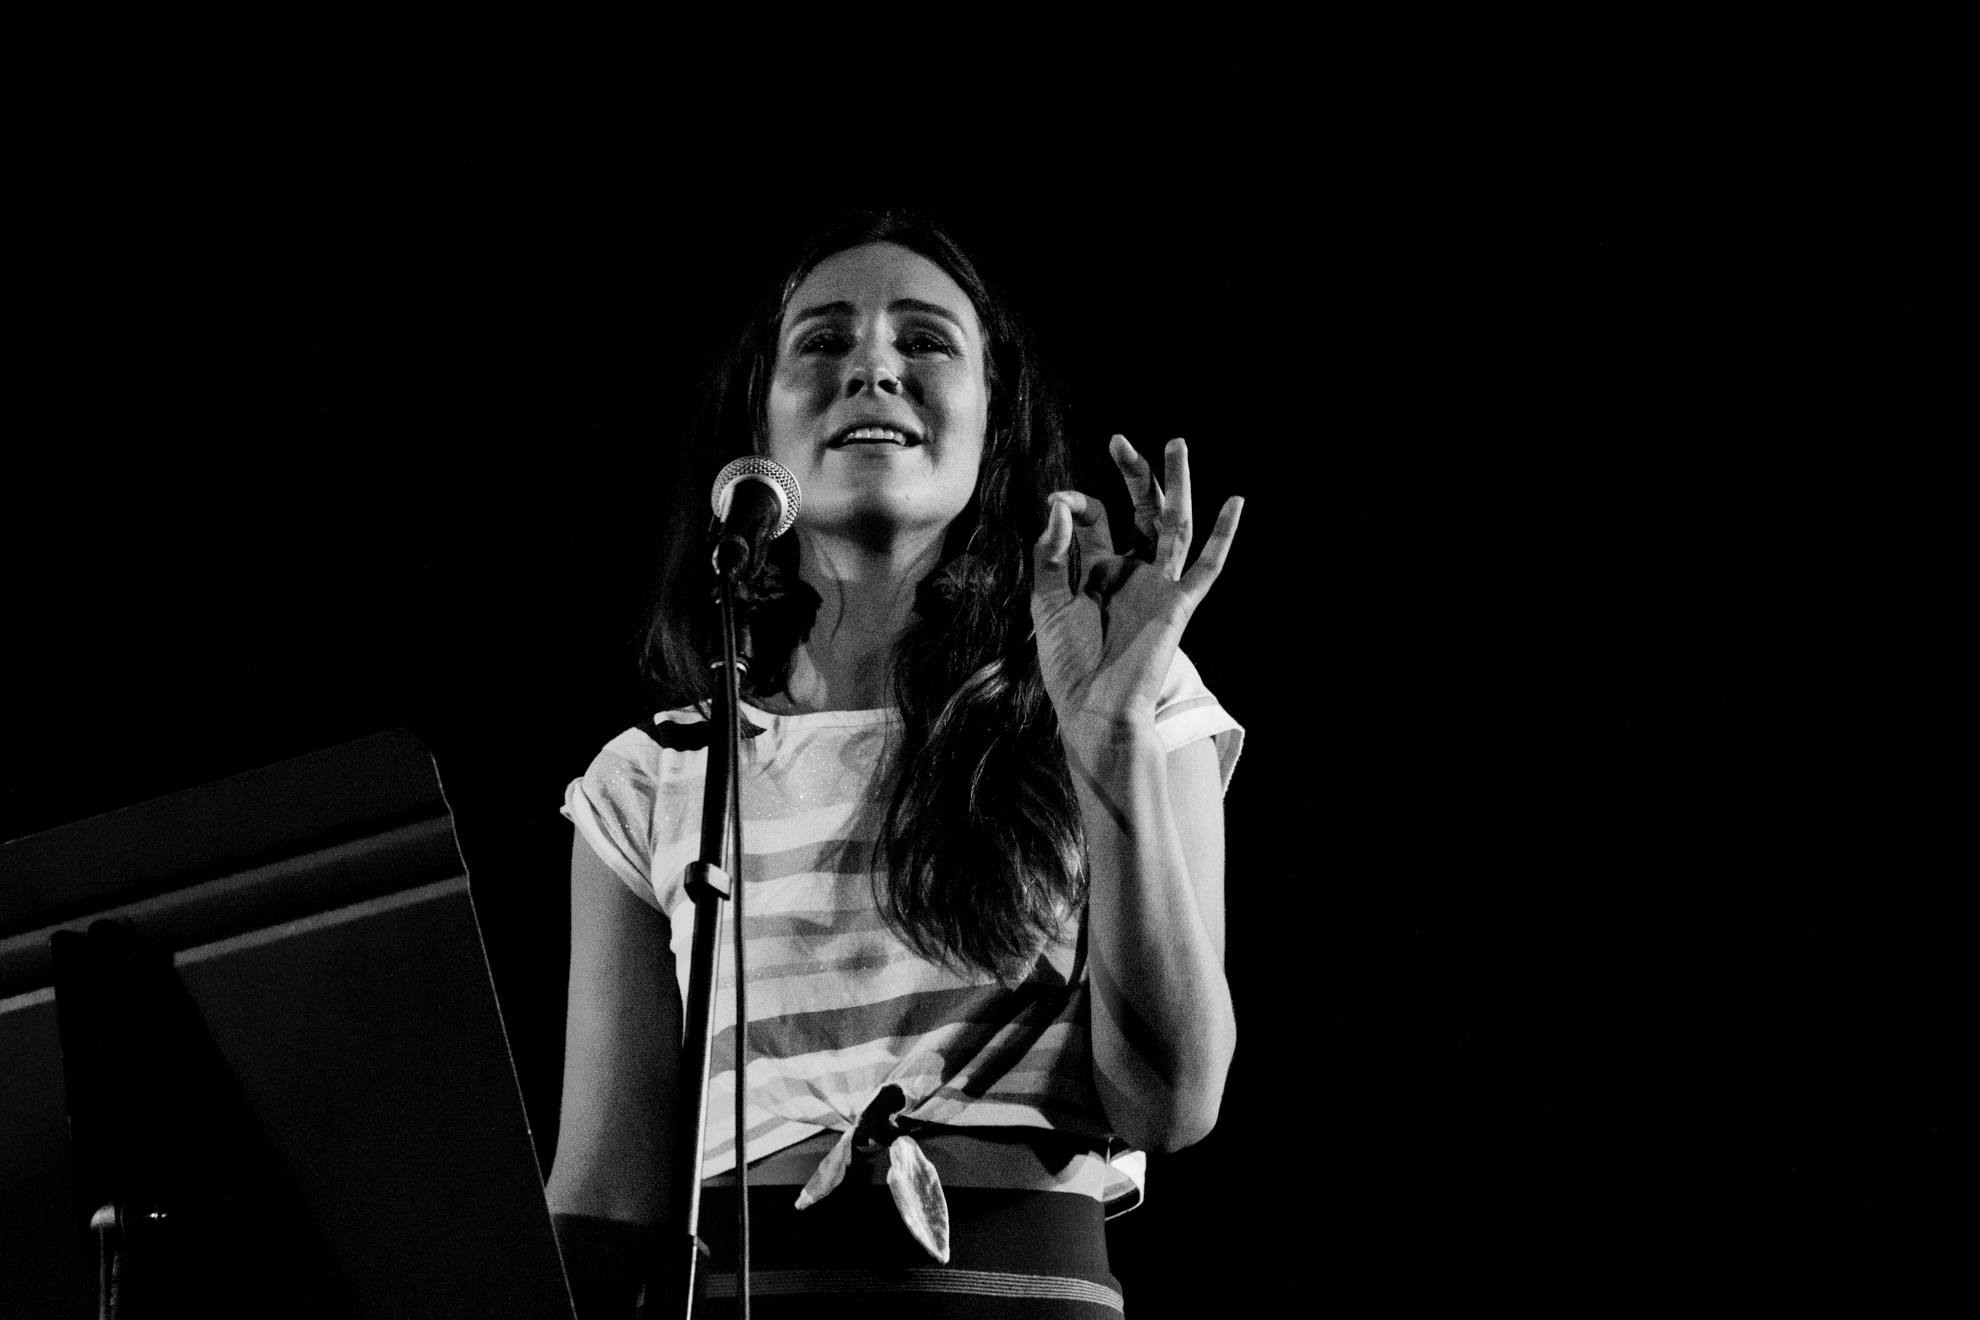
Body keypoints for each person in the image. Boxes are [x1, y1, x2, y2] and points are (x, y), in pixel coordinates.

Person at [545, 210, 1245, 1318]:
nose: (873, 365)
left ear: (991, 418)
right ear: (758, 428)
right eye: (822, 343)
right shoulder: (654, 775)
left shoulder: (1128, 692)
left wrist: (1105, 747)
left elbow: (1170, 1104)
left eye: (925, 342)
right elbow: (603, 1195)